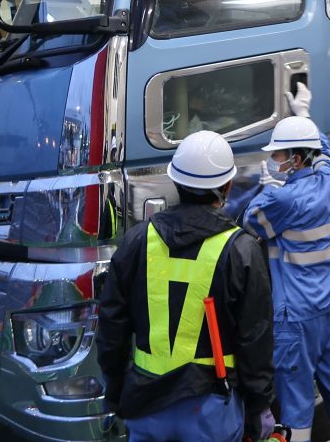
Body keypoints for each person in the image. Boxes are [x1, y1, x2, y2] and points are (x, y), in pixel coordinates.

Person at [96, 131, 276, 442]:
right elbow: (255, 340)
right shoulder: (241, 250)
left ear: (176, 182)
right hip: (210, 410)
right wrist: (259, 406)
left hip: (144, 401)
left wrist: (115, 391)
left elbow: (112, 326)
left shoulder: (138, 240)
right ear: (227, 187)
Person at [241, 83, 330, 442]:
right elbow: (324, 151)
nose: (274, 161)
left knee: (296, 404)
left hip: (298, 317)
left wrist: (268, 188)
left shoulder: (283, 201)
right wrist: (305, 116)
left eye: (279, 156)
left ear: (297, 159)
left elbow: (251, 220)